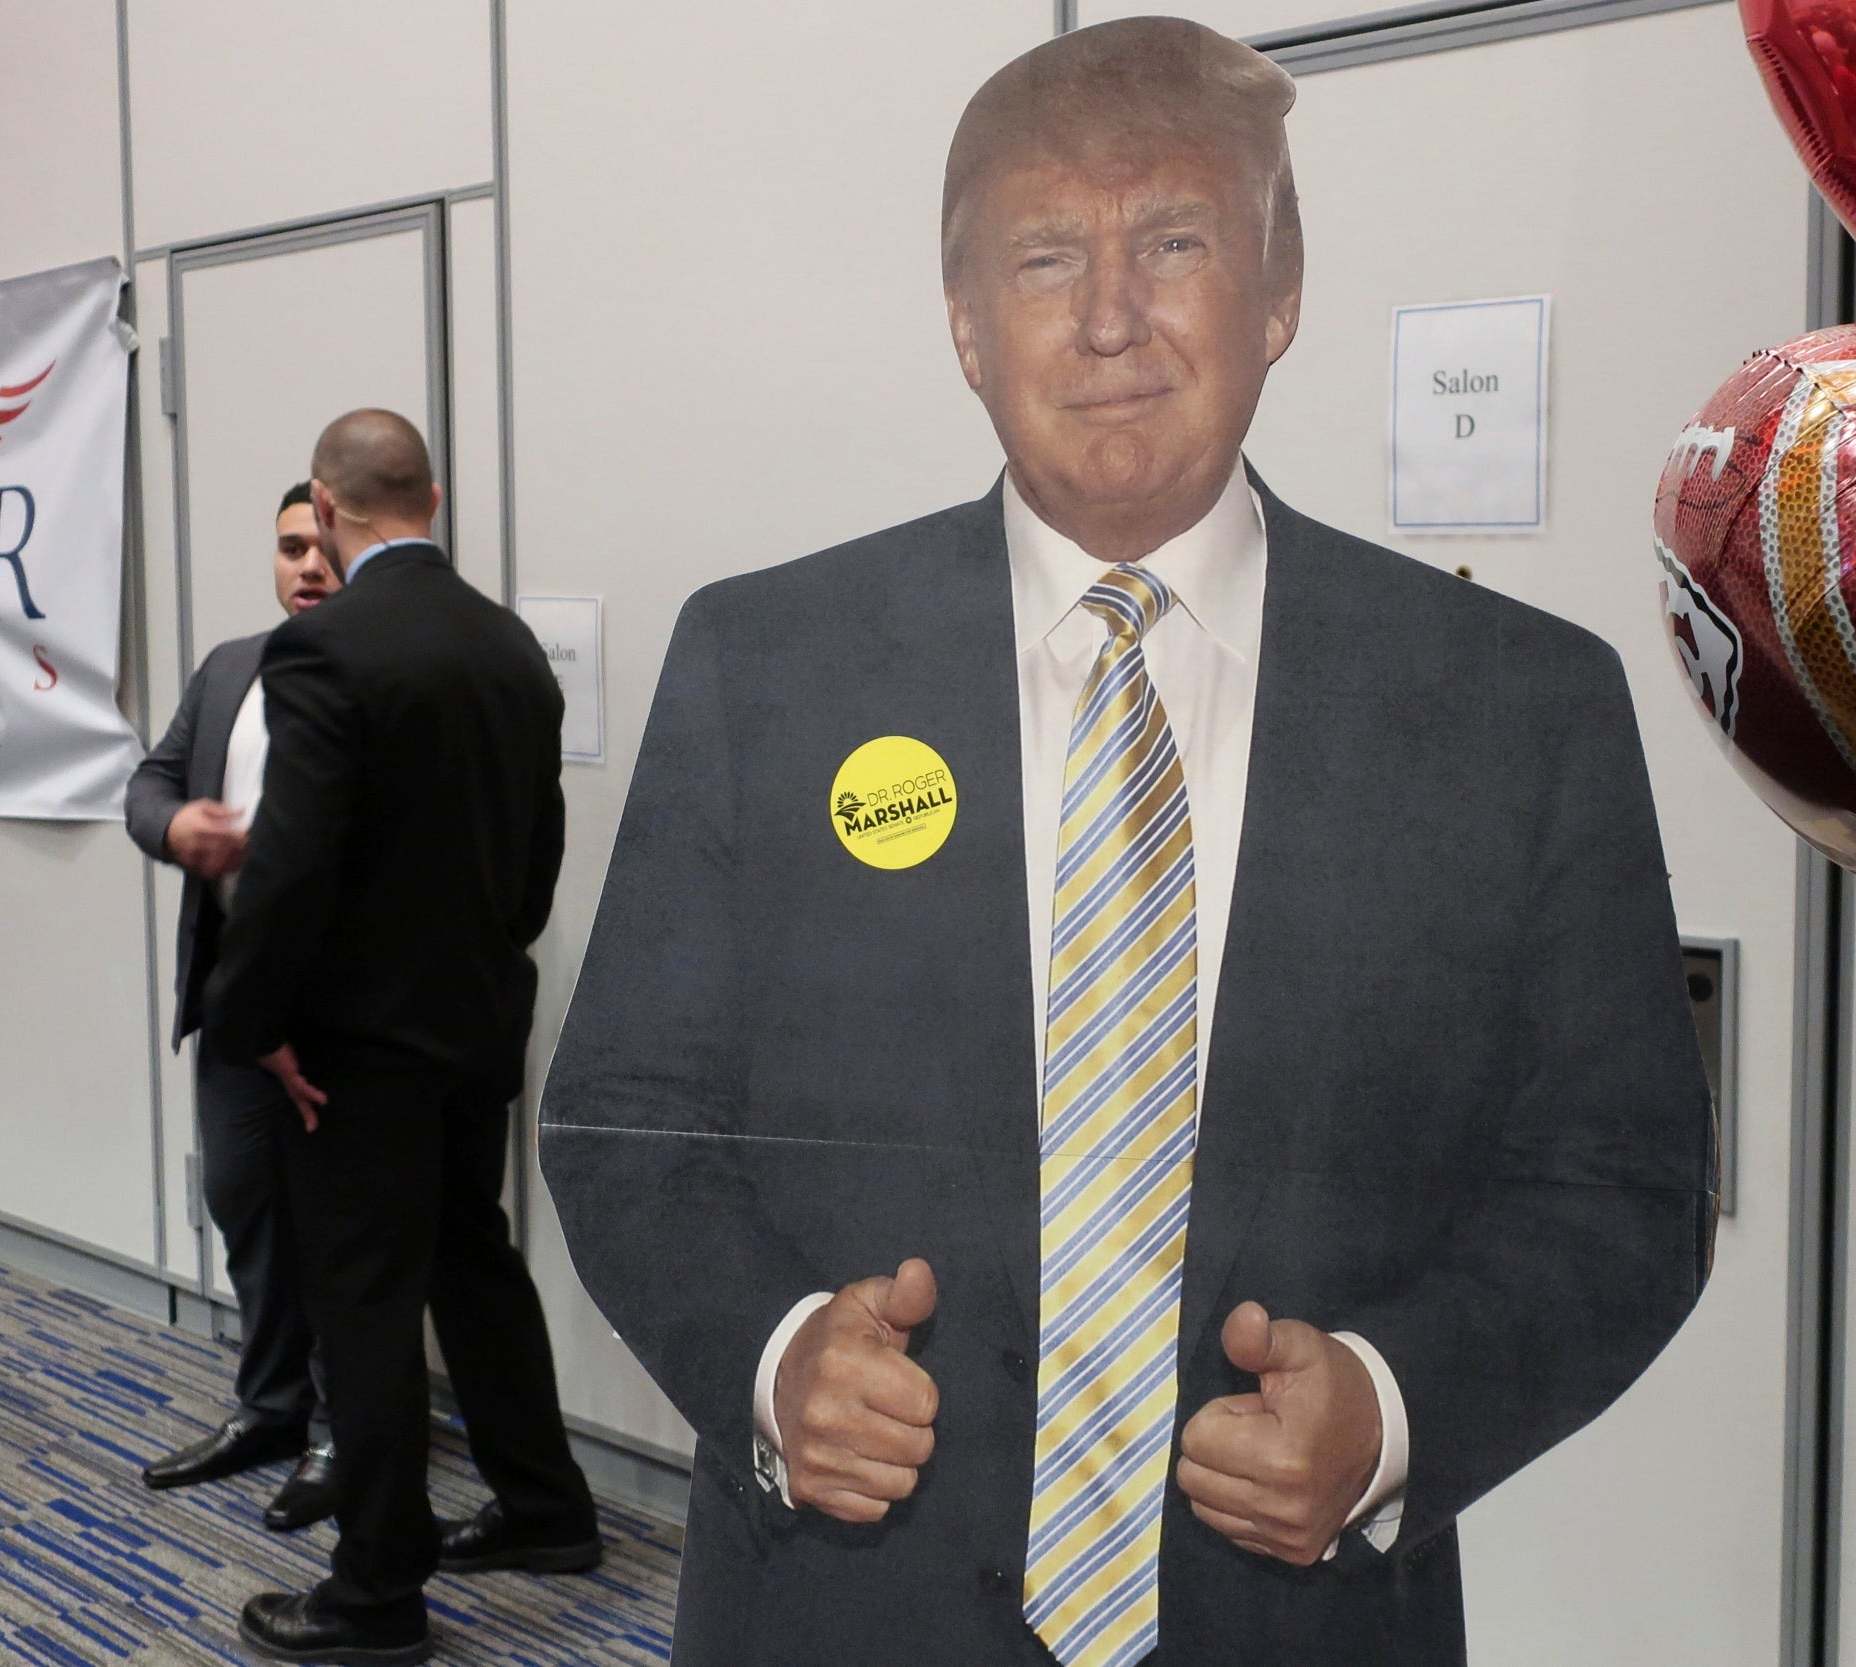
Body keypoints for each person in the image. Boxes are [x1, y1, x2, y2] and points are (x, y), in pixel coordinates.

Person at [542, 19, 1715, 1666]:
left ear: (1279, 289)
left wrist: (1388, 1409)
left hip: (1305, 1625)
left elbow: (1620, 1186)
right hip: (836, 1611)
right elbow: (621, 1126)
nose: (1107, 318)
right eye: (1042, 257)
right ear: (963, 322)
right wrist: (772, 1350)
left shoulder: (1515, 709)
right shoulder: (767, 669)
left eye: (1173, 242)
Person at [204, 411, 599, 1667]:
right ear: (431, 495)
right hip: (474, 1033)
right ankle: (546, 1507)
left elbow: (292, 868)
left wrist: (250, 1024)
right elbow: (535, 866)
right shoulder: (509, 648)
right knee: (471, 1263)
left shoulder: (323, 648)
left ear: (324, 506)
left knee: (364, 1302)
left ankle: (376, 1595)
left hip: (351, 1057)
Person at [126, 481, 342, 1535]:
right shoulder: (228, 668)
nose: (305, 564)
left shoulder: (378, 678)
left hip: (333, 1029)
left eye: (320, 544)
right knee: (244, 1208)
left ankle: (346, 1438)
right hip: (231, 1017)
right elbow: (149, 780)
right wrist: (175, 829)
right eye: (287, 546)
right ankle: (270, 1408)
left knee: (342, 1236)